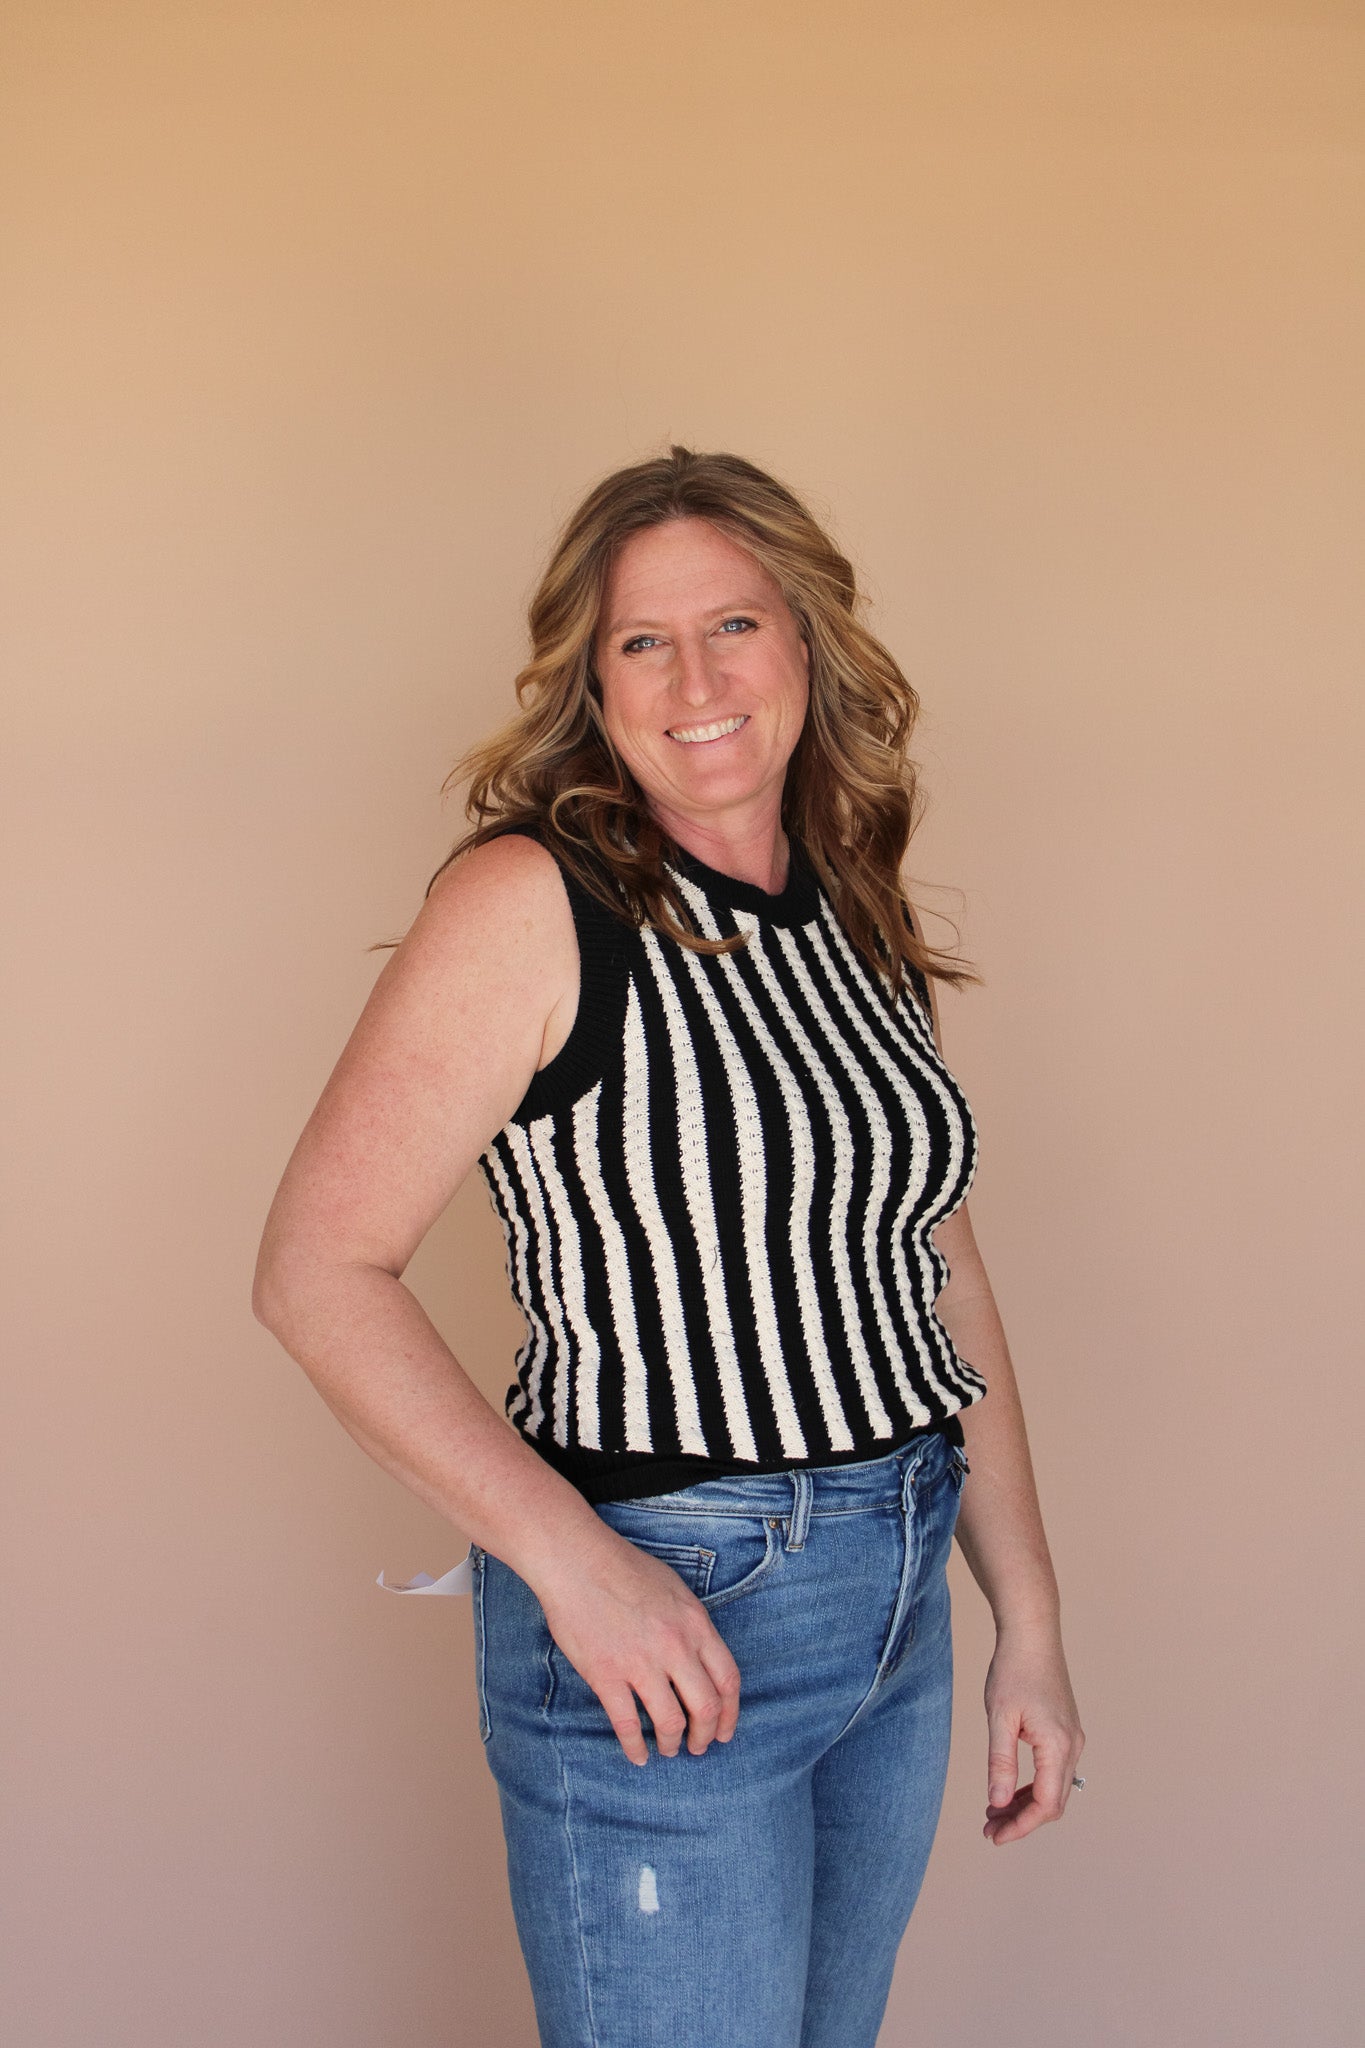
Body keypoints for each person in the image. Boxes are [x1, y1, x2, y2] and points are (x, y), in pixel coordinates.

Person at [253, 445, 1085, 2048]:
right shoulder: (531, 903)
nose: (695, 682)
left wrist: (1027, 1624)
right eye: (643, 641)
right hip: (673, 1600)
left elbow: (936, 1268)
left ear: (807, 645)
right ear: (593, 680)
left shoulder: (846, 904)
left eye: (734, 626)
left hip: (894, 1594)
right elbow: (314, 1271)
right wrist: (575, 1569)